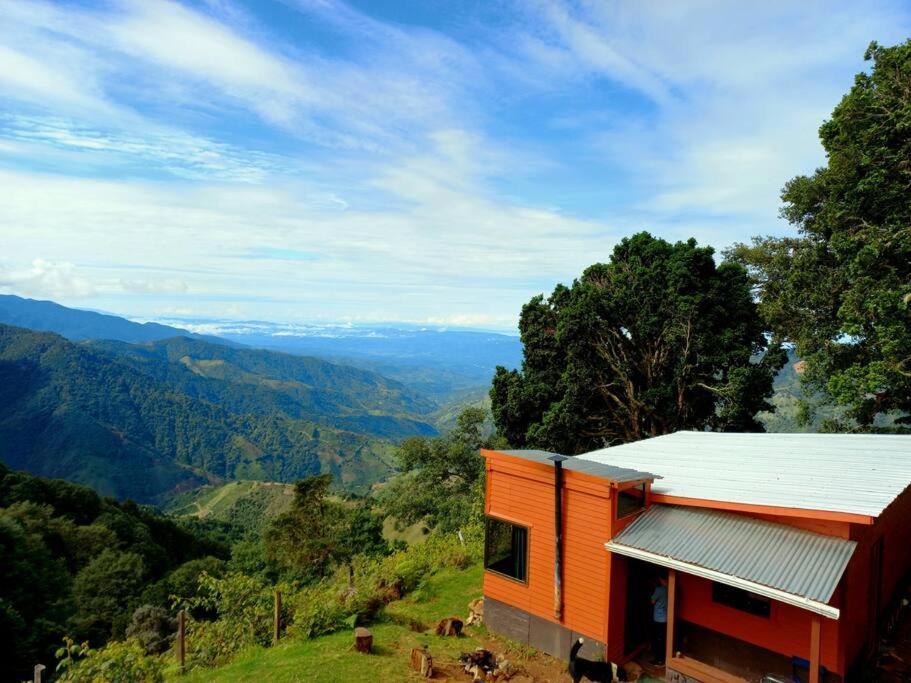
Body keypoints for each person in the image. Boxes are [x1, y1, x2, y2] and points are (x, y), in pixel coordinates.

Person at [650, 574, 668, 665]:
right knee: (663, 639)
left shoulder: (659, 590)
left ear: (661, 579)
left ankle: (659, 660)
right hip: (666, 618)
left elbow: (652, 601)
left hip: (658, 618)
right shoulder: (670, 589)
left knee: (658, 640)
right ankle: (663, 658)